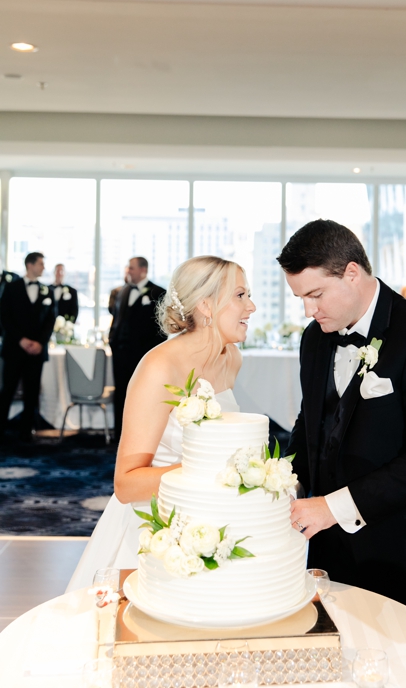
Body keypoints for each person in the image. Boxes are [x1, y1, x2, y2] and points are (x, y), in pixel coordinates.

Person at [278, 219, 406, 631]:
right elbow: (312, 424)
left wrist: (331, 507)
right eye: (301, 297)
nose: (309, 309)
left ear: (352, 273)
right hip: (332, 551)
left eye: (316, 294)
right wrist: (285, 483)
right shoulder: (315, 337)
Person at [65, 256, 255, 590]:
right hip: (158, 525)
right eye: (240, 295)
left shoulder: (231, 360)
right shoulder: (159, 368)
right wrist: (209, 472)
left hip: (217, 521)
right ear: (206, 306)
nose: (251, 306)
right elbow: (126, 484)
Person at [0, 253, 57, 443]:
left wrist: (40, 342)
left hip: (36, 351)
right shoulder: (11, 287)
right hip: (15, 348)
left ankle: (26, 431)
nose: (43, 267)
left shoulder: (46, 290)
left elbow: (51, 320)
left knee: (32, 392)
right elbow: (4, 316)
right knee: (7, 389)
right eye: (41, 263)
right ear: (29, 265)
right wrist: (21, 340)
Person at [109, 257, 167, 440]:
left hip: (143, 356)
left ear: (143, 270)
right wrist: (113, 340)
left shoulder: (159, 292)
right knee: (120, 394)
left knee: (142, 396)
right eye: (128, 268)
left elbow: (161, 329)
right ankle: (119, 434)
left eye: (131, 268)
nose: (128, 271)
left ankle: (141, 436)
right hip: (120, 354)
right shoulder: (122, 291)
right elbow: (117, 319)